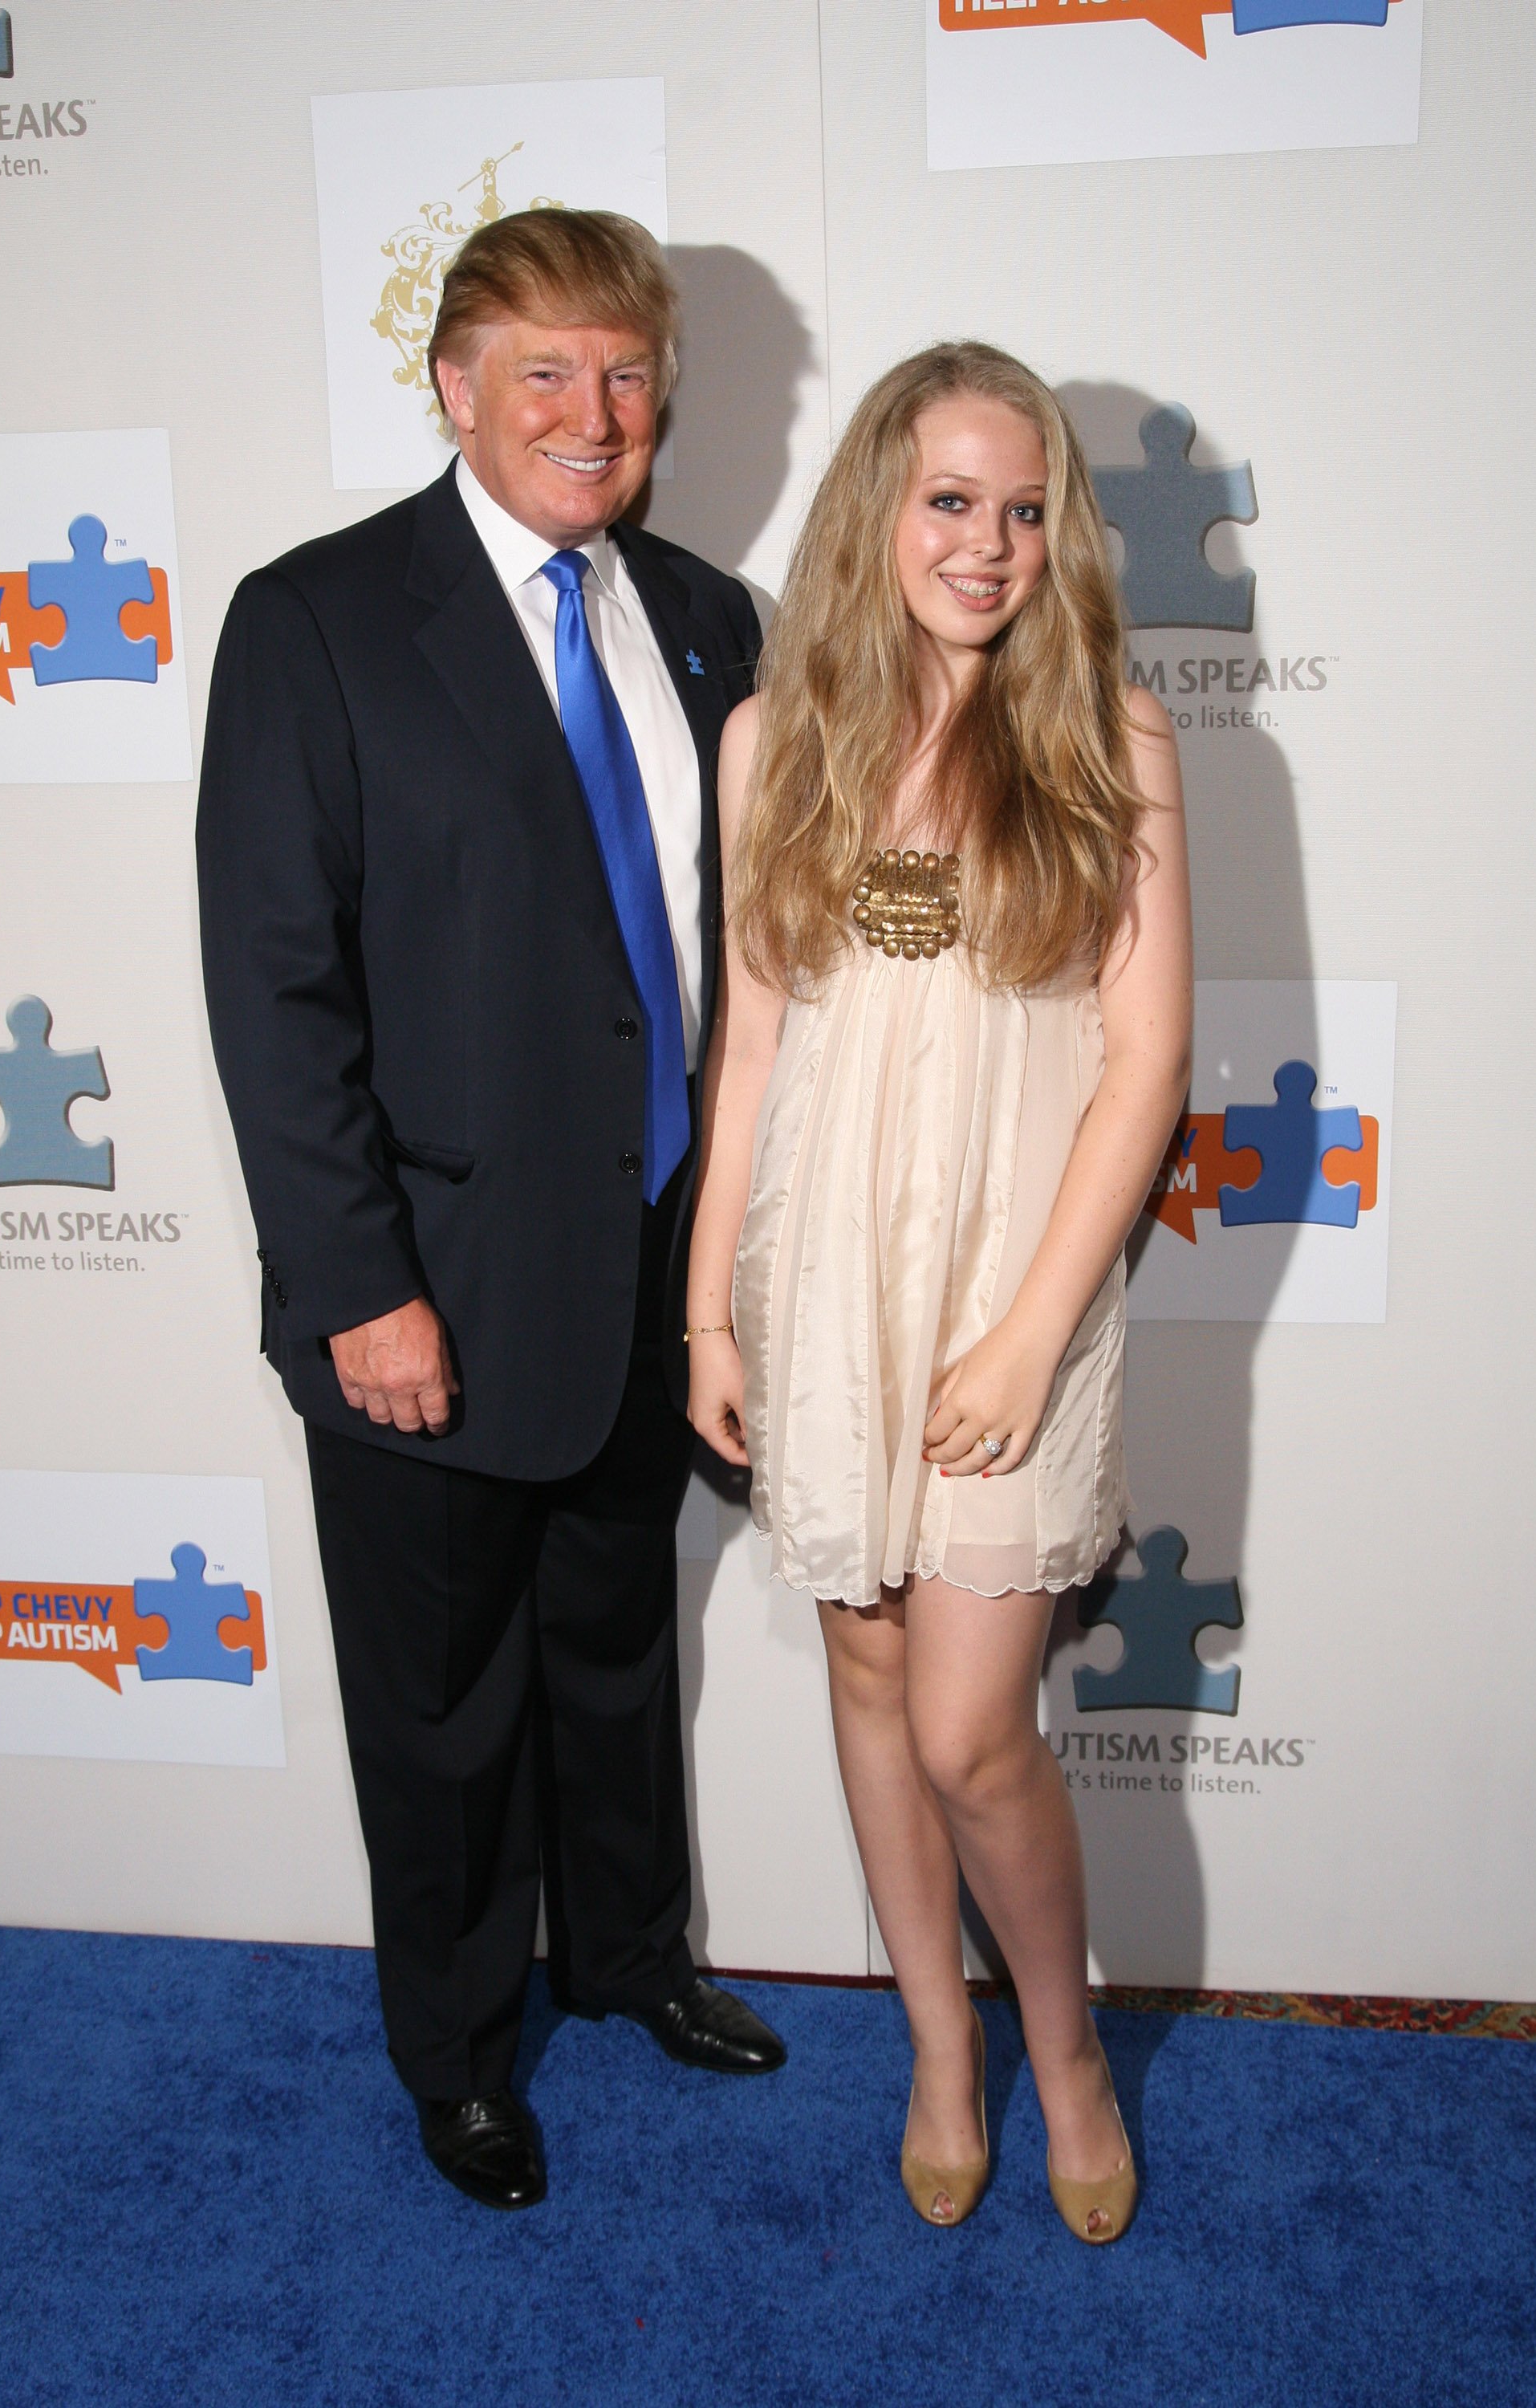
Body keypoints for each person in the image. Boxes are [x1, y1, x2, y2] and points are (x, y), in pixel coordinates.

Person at [197, 209, 786, 2213]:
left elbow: (739, 953)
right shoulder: (321, 618)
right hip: (425, 1286)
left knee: (615, 1648)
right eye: (541, 369)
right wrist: (361, 1283)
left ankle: (625, 1962)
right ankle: (455, 2054)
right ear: (449, 385)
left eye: (624, 374)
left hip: (651, 1255)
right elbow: (274, 988)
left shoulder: (711, 616)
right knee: (441, 1706)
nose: (588, 412)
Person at [687, 342, 1191, 2242]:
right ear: (876, 513)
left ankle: (1060, 2053)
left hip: (1014, 1294)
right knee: (872, 1676)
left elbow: (1138, 1067)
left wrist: (1024, 1332)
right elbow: (753, 1048)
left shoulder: (1106, 739)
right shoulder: (772, 742)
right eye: (949, 501)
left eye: (1024, 508)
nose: (985, 545)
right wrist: (709, 1317)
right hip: (817, 1279)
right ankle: (936, 2048)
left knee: (977, 1727)